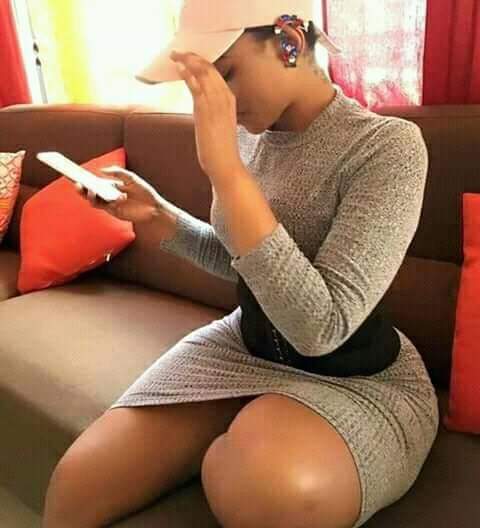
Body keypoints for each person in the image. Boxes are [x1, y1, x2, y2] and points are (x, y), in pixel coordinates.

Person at [42, 2, 440, 528]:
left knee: (260, 486)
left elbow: (322, 328)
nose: (221, 105)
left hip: (355, 373)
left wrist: (228, 176)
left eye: (225, 73)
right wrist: (159, 215)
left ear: (290, 41)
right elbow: (244, 263)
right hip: (245, 344)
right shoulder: (246, 137)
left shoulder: (387, 148)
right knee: (76, 488)